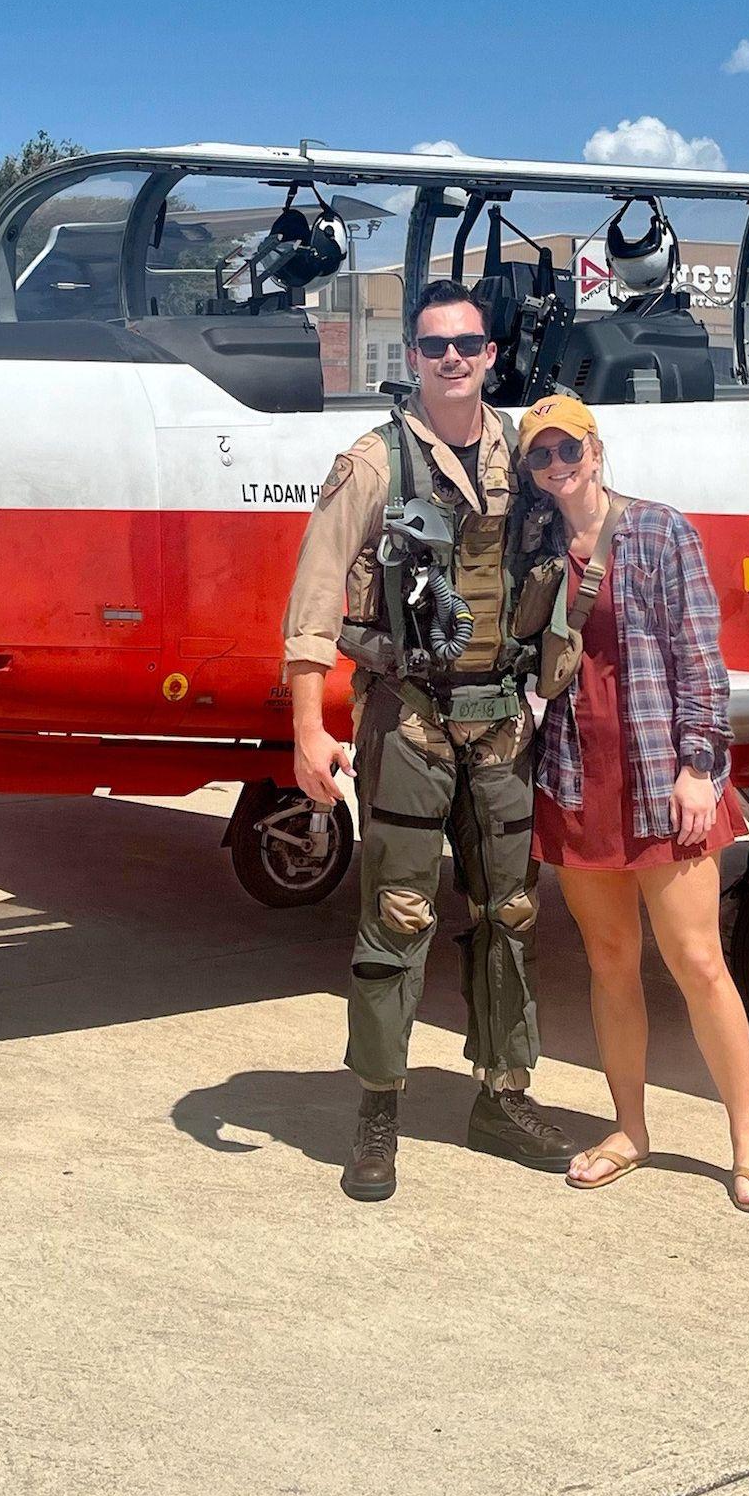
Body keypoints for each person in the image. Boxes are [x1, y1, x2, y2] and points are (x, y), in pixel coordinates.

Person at [282, 282, 582, 1203]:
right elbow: (315, 599)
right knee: (397, 920)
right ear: (410, 357)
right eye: (433, 345)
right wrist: (307, 729)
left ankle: (502, 1094)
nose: (452, 359)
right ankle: (378, 1110)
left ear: (492, 354)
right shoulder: (372, 464)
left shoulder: (529, 457)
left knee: (512, 917)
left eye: (468, 344)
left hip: (500, 728)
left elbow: (585, 536)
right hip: (407, 720)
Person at [515, 393, 749, 1212]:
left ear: (596, 449)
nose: (558, 465)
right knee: (609, 965)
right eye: (541, 455)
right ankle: (630, 1128)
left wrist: (701, 766)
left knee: (699, 962)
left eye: (569, 448)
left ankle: (748, 1140)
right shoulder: (535, 547)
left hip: (662, 775)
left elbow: (702, 659)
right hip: (573, 775)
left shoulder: (661, 532)